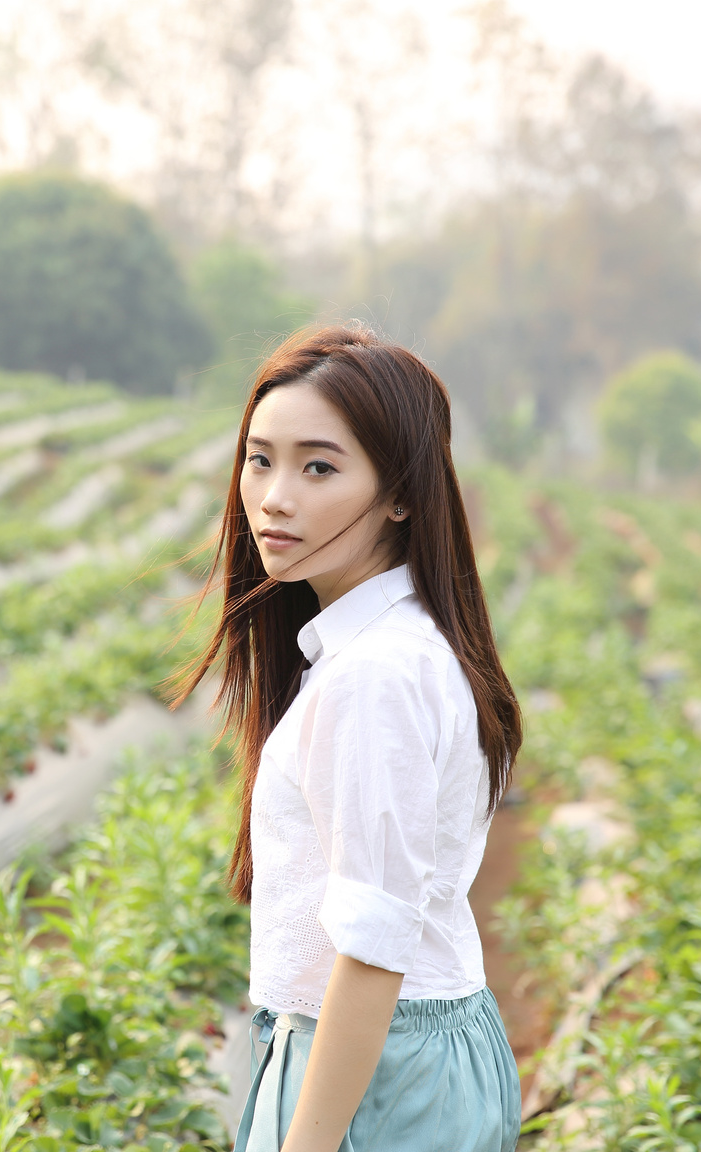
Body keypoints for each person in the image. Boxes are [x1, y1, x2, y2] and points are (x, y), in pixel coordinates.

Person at [173, 325, 524, 1152]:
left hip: (376, 1065)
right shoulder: (395, 646)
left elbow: (371, 951)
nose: (275, 497)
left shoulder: (374, 677)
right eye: (260, 459)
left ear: (401, 495)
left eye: (319, 466)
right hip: (411, 1050)